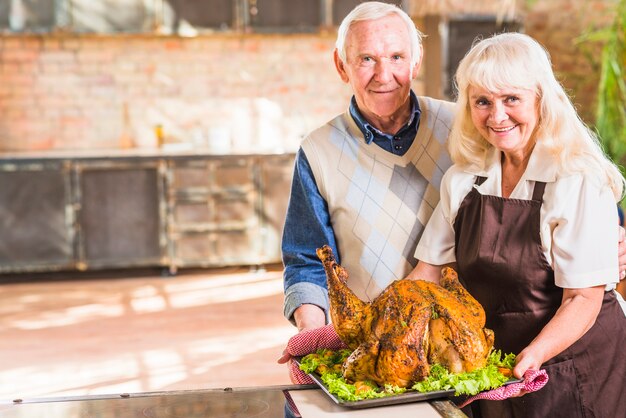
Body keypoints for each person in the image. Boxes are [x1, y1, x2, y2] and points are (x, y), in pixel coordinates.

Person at [408, 32, 626, 417]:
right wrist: (365, 328)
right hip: (500, 369)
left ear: (541, 99)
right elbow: (429, 271)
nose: (496, 116)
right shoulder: (463, 180)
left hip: (572, 368)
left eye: (511, 99)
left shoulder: (577, 180)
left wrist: (532, 357)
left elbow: (583, 299)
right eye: (482, 101)